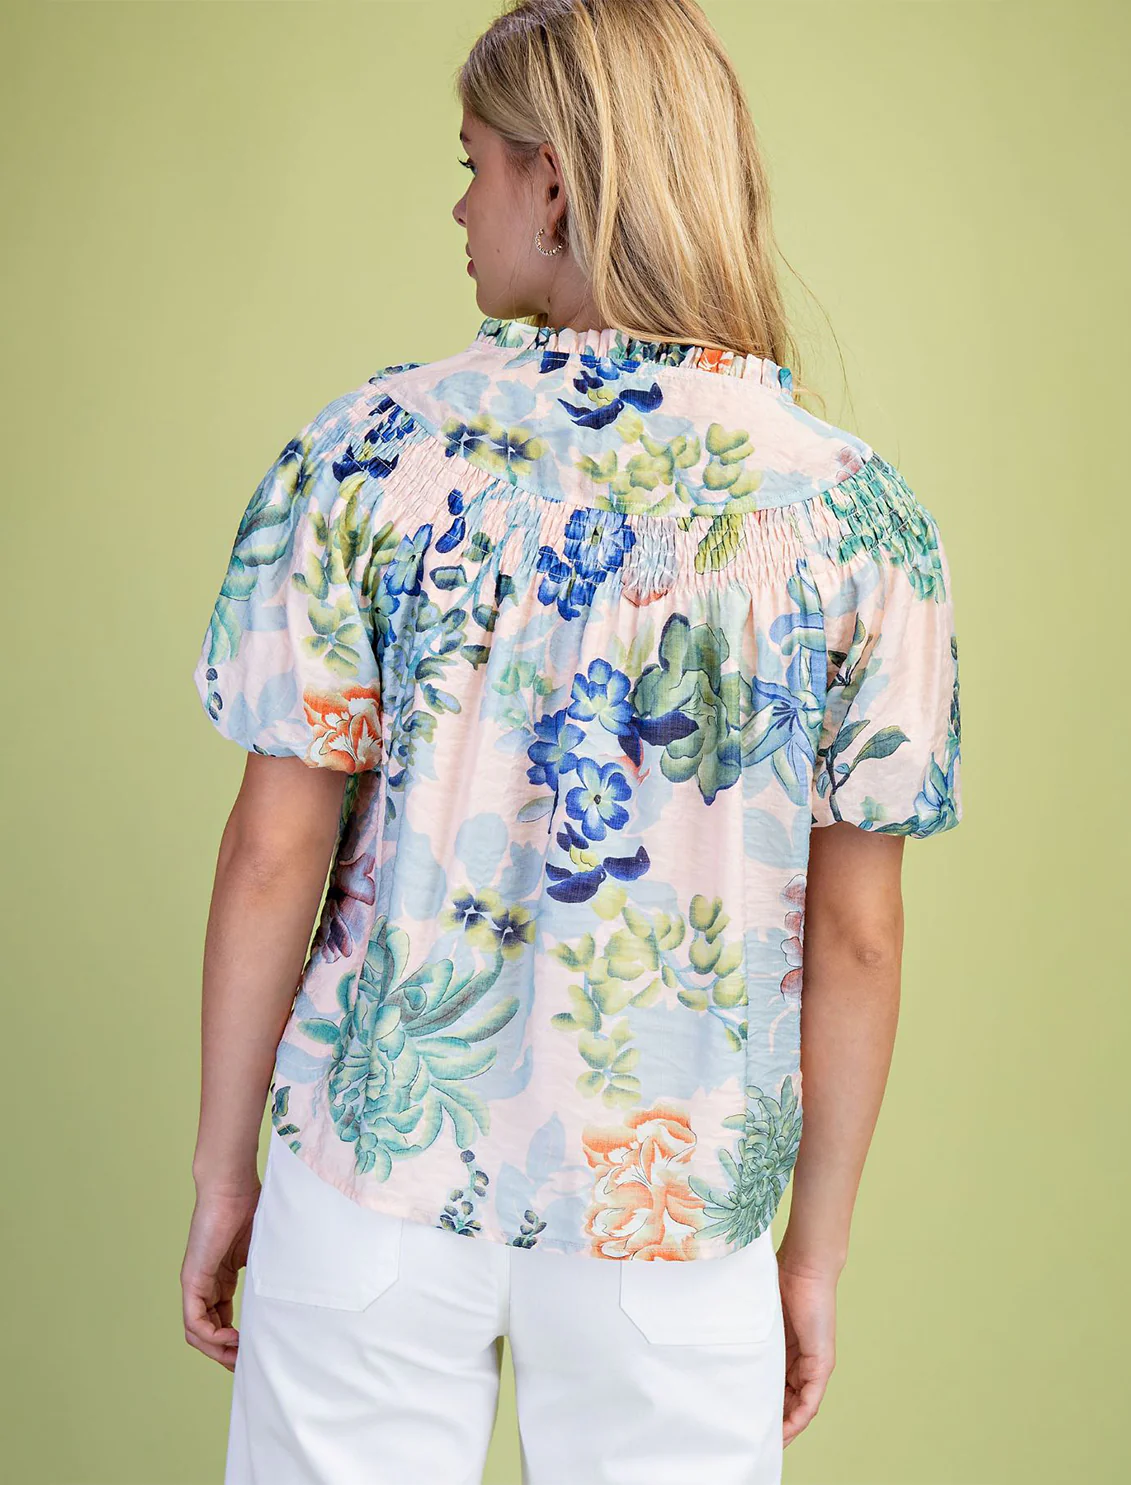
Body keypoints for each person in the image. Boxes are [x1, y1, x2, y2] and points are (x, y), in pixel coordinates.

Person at [179, 1, 964, 1481]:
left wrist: (226, 1174)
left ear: (553, 181)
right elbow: (858, 937)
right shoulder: (859, 518)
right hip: (669, 1232)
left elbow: (274, 852)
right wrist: (811, 1255)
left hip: (370, 1188)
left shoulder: (368, 454)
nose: (459, 205)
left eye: (472, 162)